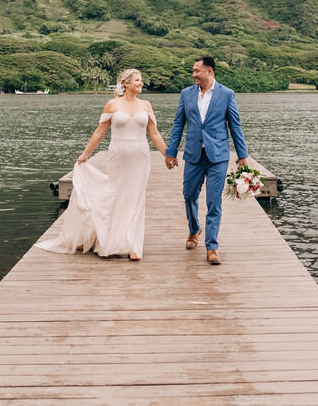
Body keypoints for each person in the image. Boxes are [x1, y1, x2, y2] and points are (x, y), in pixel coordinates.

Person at [36, 69, 168, 261]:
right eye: (138, 80)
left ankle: (133, 245)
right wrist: (85, 154)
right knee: (115, 197)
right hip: (117, 158)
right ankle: (110, 239)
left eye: (141, 80)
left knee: (136, 199)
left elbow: (154, 134)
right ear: (126, 83)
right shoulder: (112, 105)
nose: (141, 83)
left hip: (140, 159)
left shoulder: (146, 105)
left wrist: (168, 155)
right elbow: (99, 133)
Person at [165, 56, 249, 265]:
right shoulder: (186, 94)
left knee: (214, 201)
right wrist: (171, 151)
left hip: (218, 156)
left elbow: (235, 127)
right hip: (193, 154)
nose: (193, 74)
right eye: (192, 71)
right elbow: (178, 124)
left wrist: (243, 156)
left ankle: (212, 247)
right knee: (189, 195)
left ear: (209, 71)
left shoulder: (227, 94)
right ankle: (194, 229)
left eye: (197, 71)